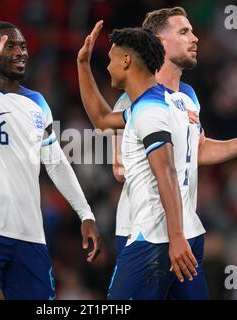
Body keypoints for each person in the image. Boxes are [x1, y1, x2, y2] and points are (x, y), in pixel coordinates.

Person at [0, 8, 100, 300]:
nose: (21, 52)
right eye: (11, 46)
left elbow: (56, 162)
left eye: (23, 46)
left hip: (30, 233)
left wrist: (85, 214)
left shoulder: (37, 102)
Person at [77, 21, 210, 299]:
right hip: (189, 231)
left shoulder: (148, 110)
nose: (108, 67)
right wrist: (83, 65)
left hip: (155, 237)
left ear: (126, 60)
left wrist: (174, 237)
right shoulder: (177, 102)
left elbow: (166, 173)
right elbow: (102, 120)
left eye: (111, 59)